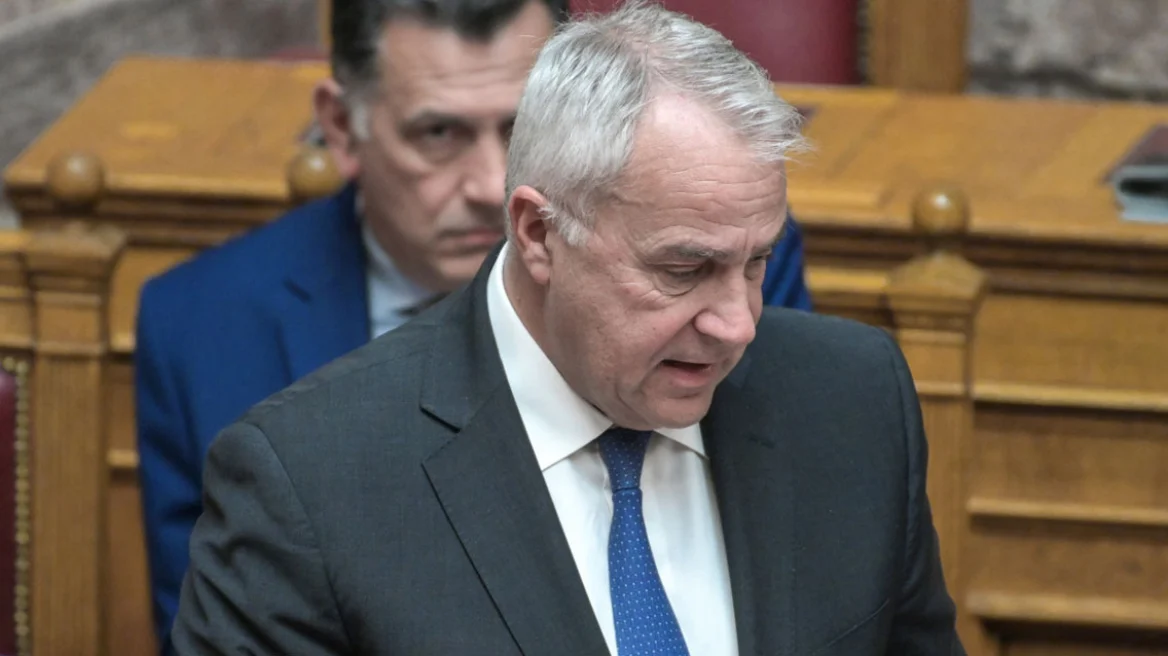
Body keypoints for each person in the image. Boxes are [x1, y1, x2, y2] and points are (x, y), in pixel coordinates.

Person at [170, 3, 962, 654]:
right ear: (539, 234)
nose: (736, 325)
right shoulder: (308, 486)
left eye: (755, 263)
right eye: (683, 270)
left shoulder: (854, 400)